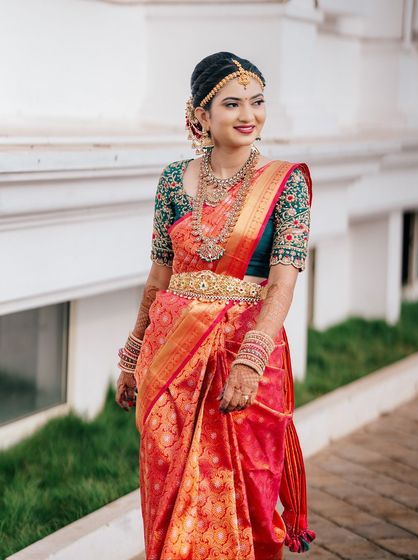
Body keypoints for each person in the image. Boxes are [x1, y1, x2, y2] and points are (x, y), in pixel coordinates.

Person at [116, 51, 316, 559]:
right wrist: (133, 353)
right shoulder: (172, 180)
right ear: (200, 116)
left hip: (246, 352)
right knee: (166, 485)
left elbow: (283, 282)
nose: (249, 115)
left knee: (247, 492)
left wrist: (251, 359)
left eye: (257, 101)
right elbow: (160, 274)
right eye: (232, 104)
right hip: (171, 355)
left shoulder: (285, 183)